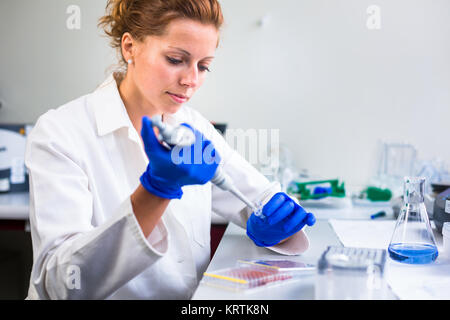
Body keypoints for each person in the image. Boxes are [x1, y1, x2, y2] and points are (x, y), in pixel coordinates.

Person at [25, 0, 315, 300]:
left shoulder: (194, 127)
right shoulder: (61, 133)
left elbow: (255, 197)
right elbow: (59, 285)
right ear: (130, 48)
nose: (191, 80)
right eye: (176, 59)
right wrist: (155, 192)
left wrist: (280, 223)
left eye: (203, 66)